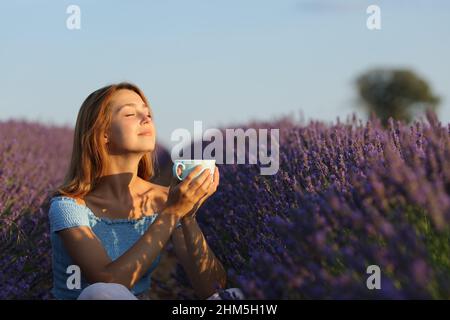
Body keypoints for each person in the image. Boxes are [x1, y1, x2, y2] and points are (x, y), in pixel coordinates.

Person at [47, 82, 244, 300]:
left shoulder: (163, 199)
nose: (146, 118)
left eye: (147, 113)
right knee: (99, 293)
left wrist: (187, 216)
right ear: (103, 133)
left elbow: (212, 289)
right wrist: (171, 213)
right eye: (130, 113)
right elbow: (108, 283)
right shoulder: (68, 206)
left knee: (231, 297)